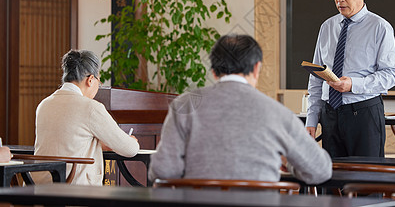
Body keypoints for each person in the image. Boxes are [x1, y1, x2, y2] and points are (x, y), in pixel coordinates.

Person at [149, 34, 332, 184]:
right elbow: (320, 170)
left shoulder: (185, 105)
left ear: (213, 71)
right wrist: (287, 161)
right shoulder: (278, 112)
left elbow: (162, 170)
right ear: (256, 68)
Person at [305, 0, 395, 157]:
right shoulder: (327, 27)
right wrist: (311, 120)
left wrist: (353, 84)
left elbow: (392, 74)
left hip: (363, 113)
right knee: (331, 181)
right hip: (330, 113)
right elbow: (316, 77)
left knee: (367, 181)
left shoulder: (380, 27)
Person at [34, 49, 140, 185]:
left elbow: (67, 142)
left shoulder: (44, 104)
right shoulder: (91, 108)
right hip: (75, 191)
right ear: (90, 80)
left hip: (38, 189)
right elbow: (129, 149)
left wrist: (97, 144)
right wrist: (131, 140)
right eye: (98, 81)